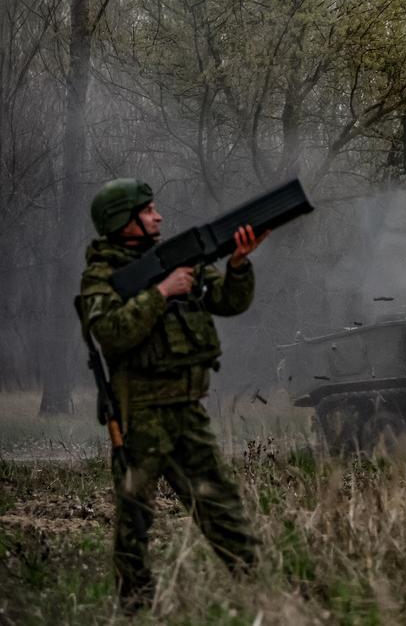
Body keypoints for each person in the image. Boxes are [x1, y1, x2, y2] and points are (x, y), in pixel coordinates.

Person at [79, 178, 268, 612]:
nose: (158, 216)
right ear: (122, 220)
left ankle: (258, 588)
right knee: (135, 514)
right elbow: (110, 332)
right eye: (147, 211)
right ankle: (135, 606)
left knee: (218, 501)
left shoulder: (179, 259)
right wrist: (162, 292)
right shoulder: (102, 275)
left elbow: (228, 301)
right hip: (141, 413)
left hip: (186, 408)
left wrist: (239, 263)